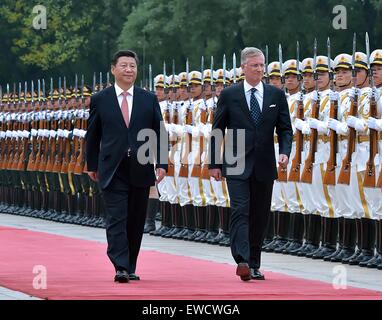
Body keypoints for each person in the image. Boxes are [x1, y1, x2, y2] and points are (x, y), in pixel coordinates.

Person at [209, 47, 293, 281]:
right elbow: (217, 129)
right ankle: (242, 260)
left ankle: (255, 262)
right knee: (240, 210)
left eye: (261, 65)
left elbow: (285, 129)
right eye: (254, 65)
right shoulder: (229, 94)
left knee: (259, 214)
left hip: (265, 161)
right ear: (243, 67)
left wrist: (285, 151)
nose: (259, 69)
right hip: (235, 160)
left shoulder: (276, 95)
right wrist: (214, 163)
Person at [85, 50, 167, 283]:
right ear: (113, 69)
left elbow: (159, 131)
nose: (129, 70)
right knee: (116, 217)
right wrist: (91, 163)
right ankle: (120, 265)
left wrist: (161, 162)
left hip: (140, 165)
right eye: (124, 65)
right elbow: (93, 134)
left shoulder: (148, 98)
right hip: (111, 166)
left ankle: (130, 264)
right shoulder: (101, 99)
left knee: (135, 218)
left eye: (132, 66)